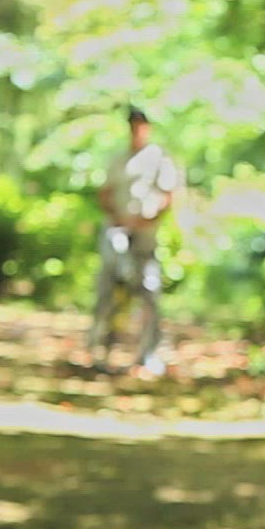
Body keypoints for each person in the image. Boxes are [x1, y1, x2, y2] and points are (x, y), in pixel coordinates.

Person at [88, 106, 183, 375]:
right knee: (109, 290)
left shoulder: (159, 159)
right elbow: (105, 194)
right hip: (118, 234)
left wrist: (144, 221)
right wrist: (118, 218)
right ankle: (101, 349)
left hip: (145, 239)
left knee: (149, 291)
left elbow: (168, 198)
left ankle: (148, 354)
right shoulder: (119, 159)